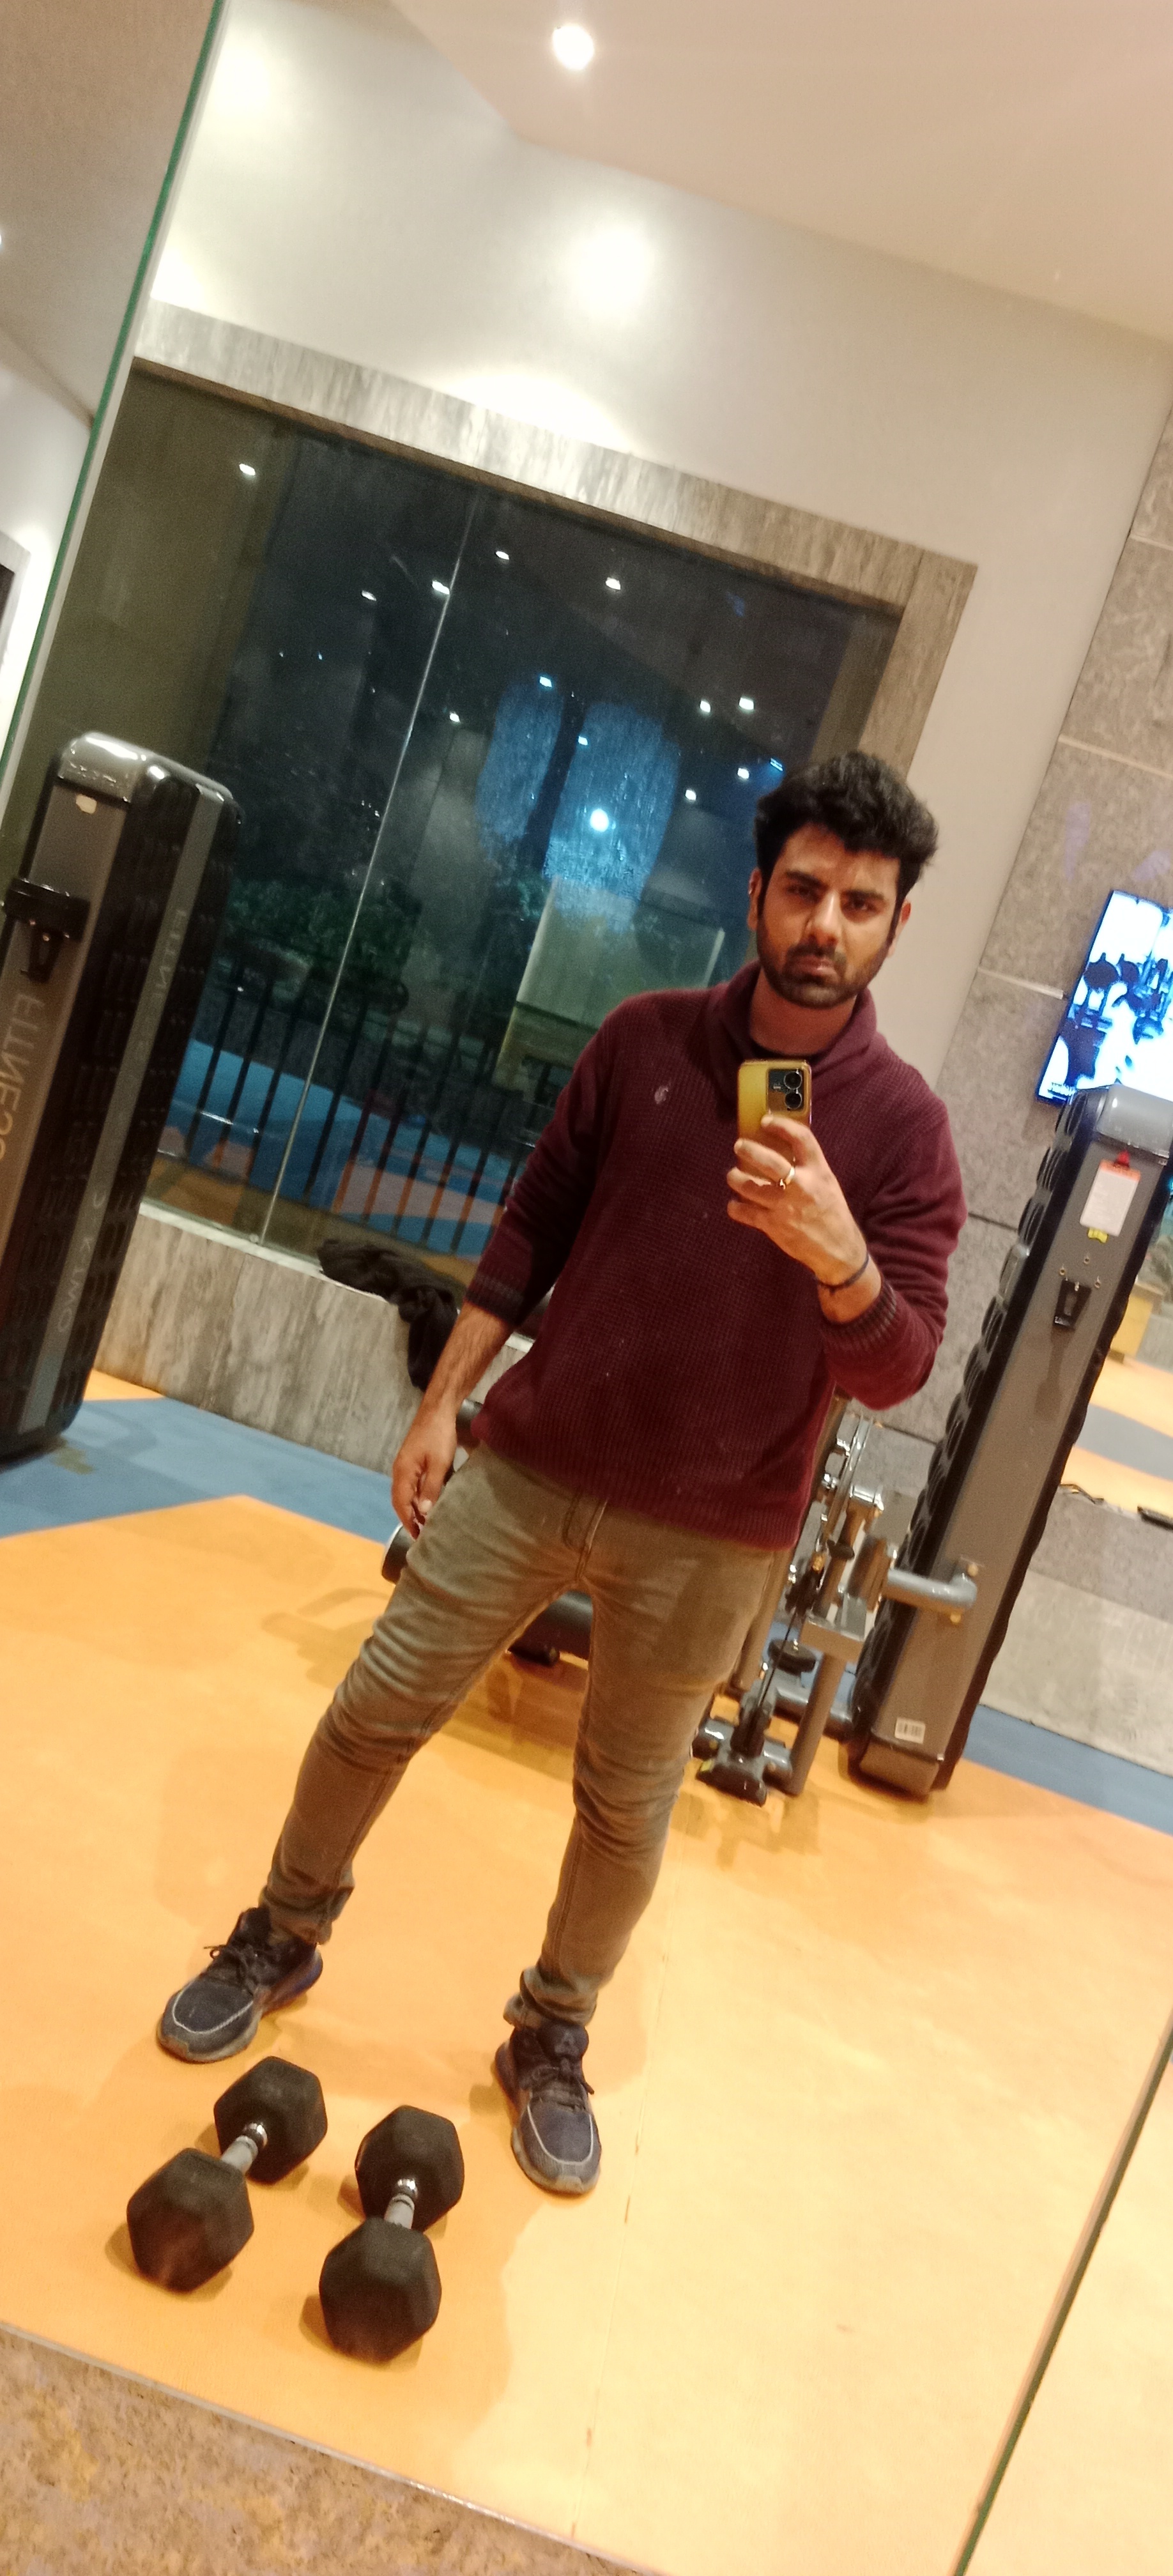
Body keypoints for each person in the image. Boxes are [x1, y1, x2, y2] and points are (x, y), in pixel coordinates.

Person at [158, 750, 966, 2196]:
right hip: (531, 1463)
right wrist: (443, 1403)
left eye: (860, 903)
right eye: (804, 890)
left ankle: (551, 2033)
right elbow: (530, 1227)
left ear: (898, 922)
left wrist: (842, 1255)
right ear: (757, 892)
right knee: (373, 1707)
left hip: (715, 1530)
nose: (825, 926)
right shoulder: (644, 1038)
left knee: (626, 1804)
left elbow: (898, 1367)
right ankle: (280, 1931)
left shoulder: (907, 1133)